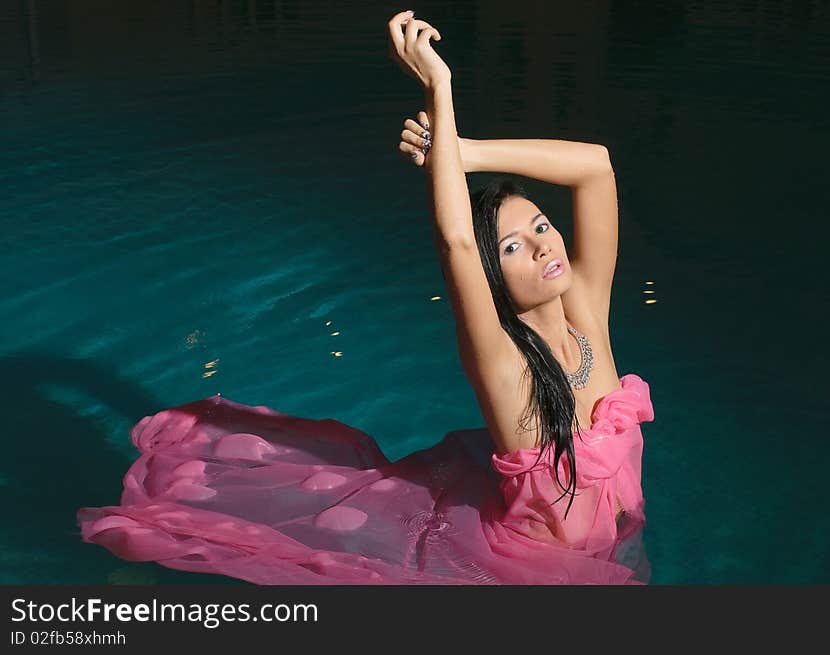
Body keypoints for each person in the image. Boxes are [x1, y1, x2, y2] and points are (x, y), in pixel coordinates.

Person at [76, 10, 655, 585]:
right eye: (511, 247)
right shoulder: (505, 366)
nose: (541, 245)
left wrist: (464, 150)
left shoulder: (587, 318)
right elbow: (456, 240)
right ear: (491, 281)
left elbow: (595, 167)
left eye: (541, 226)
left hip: (622, 549)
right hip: (534, 579)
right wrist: (440, 86)